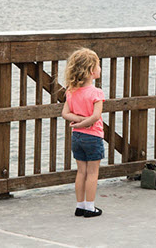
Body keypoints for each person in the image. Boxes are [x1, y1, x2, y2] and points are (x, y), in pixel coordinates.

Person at [61, 48, 105, 217]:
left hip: (77, 137)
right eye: (98, 65)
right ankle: (90, 207)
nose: (100, 69)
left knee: (81, 172)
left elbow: (65, 113)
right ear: (91, 71)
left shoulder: (71, 91)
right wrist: (85, 123)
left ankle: (79, 205)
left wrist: (77, 122)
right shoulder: (96, 93)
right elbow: (95, 117)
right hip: (93, 136)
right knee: (93, 173)